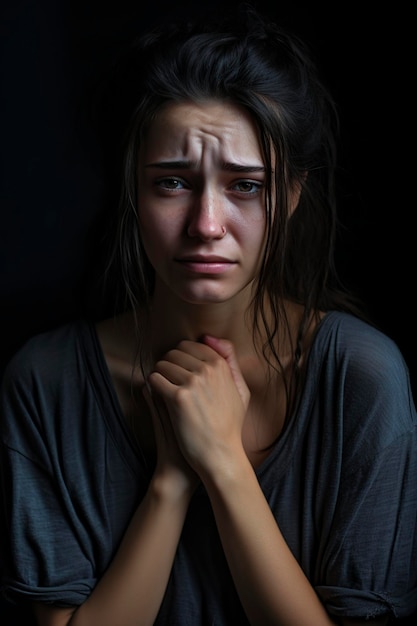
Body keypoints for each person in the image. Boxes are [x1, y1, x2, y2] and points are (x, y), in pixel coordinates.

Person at [0, 4, 416, 625]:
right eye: (172, 182)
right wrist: (170, 480)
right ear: (133, 193)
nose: (206, 225)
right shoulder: (46, 381)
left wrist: (222, 460)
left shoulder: (362, 377)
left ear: (293, 196)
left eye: (245, 186)